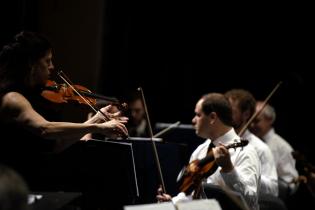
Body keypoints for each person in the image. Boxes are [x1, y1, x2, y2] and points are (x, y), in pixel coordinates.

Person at [0, 31, 128, 187]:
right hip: (14, 185)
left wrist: (97, 118)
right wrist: (98, 127)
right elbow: (44, 129)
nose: (52, 67)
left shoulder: (35, 95)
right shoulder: (13, 98)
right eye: (47, 61)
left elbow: (56, 145)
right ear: (31, 64)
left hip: (36, 180)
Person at [157, 93, 261, 210]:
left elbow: (249, 202)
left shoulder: (245, 152)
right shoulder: (201, 150)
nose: (193, 120)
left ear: (212, 117)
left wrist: (228, 169)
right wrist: (173, 202)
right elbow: (193, 195)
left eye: (198, 115)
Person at [225, 89, 278, 197]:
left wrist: (246, 175)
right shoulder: (214, 141)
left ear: (246, 114)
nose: (225, 115)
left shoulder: (260, 148)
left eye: (231, 111)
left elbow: (273, 190)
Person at [250, 101, 299, 195]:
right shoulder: (251, 140)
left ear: (270, 120)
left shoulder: (281, 146)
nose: (251, 125)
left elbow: (289, 182)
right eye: (250, 120)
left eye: (256, 121)